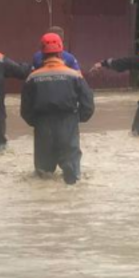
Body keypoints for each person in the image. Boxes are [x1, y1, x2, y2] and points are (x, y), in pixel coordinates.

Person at [21, 32, 95, 185]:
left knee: (43, 175)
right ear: (61, 52)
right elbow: (88, 103)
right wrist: (78, 119)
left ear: (42, 53)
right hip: (68, 122)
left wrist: (36, 122)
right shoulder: (74, 75)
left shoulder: (32, 77)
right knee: (72, 175)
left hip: (43, 125)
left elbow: (25, 109)